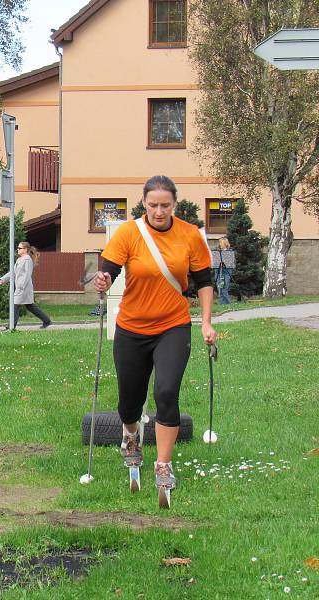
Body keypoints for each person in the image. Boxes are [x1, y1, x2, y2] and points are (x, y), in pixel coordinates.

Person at [92, 175, 217, 498]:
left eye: (165, 205)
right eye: (153, 205)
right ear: (143, 204)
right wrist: (103, 280)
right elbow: (109, 268)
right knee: (129, 401)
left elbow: (204, 281)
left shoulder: (189, 235)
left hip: (173, 325)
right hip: (132, 327)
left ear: (174, 204)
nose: (159, 211)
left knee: (166, 392)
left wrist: (205, 322)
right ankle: (131, 436)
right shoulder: (129, 233)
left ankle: (163, 463)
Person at [0, 242, 52, 329]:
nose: (17, 250)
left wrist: (21, 286)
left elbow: (27, 274)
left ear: (25, 250)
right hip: (21, 287)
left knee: (15, 305)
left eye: (20, 248)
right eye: (18, 248)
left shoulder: (27, 260)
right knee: (30, 306)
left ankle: (11, 327)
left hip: (24, 288)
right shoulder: (19, 260)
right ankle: (47, 321)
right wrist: (3, 279)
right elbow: (13, 272)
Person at [212, 237, 235, 305]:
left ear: (225, 243)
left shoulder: (230, 252)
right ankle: (221, 304)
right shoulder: (217, 252)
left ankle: (228, 303)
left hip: (226, 272)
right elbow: (215, 262)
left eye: (220, 243)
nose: (219, 244)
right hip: (218, 271)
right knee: (219, 288)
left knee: (224, 288)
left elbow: (231, 263)